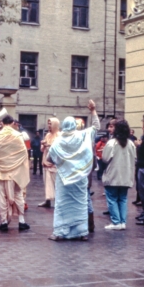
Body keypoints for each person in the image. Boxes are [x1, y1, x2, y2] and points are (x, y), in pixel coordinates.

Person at [47, 100, 99, 241]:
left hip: (64, 179)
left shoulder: (58, 141)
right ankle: (81, 233)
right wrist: (93, 110)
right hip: (80, 177)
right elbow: (96, 127)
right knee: (80, 204)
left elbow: (50, 158)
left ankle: (59, 233)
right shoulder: (82, 136)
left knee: (62, 205)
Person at [0, 115, 30, 232]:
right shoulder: (18, 136)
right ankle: (21, 221)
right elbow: (23, 153)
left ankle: (4, 222)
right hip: (15, 173)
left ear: (2, 123)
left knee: (2, 197)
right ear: (13, 122)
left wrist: (1, 164)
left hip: (2, 172)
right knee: (18, 195)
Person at [102, 120, 136, 230]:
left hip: (113, 175)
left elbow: (105, 158)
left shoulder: (112, 143)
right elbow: (134, 159)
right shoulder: (131, 144)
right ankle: (122, 222)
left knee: (112, 199)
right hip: (126, 176)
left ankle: (116, 222)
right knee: (123, 199)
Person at [39, 118, 60, 208]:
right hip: (46, 161)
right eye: (48, 124)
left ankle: (58, 202)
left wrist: (50, 145)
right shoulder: (47, 135)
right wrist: (43, 144)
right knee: (46, 182)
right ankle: (47, 201)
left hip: (54, 163)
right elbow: (42, 149)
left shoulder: (59, 135)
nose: (49, 126)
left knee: (55, 183)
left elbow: (60, 149)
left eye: (50, 124)